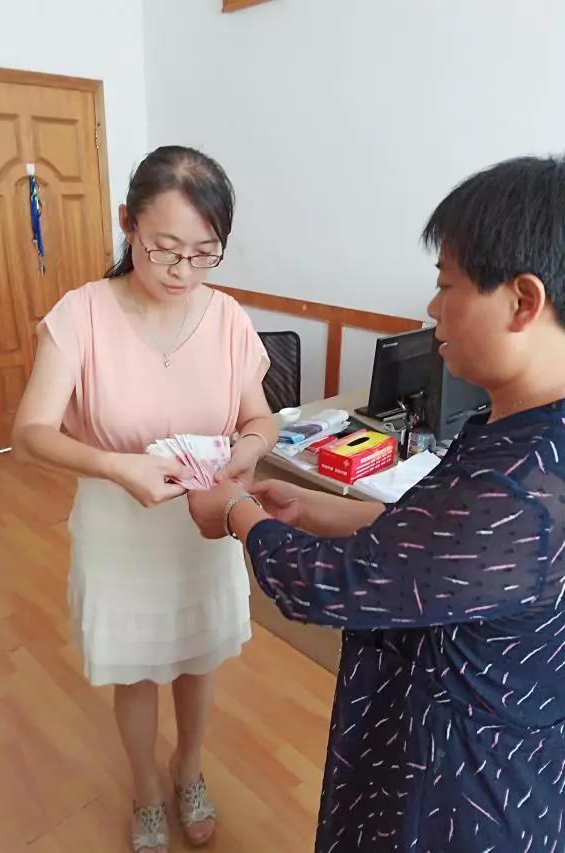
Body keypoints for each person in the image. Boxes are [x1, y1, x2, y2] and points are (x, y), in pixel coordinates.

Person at [188, 155, 565, 852]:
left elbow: (334, 583)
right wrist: (312, 507)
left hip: (459, 783)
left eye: (446, 284)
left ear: (523, 302)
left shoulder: (518, 487)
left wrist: (238, 512)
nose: (433, 308)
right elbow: (437, 540)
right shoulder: (522, 435)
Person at [12, 145, 277, 852]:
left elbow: (259, 417)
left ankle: (187, 768)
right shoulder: (81, 315)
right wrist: (114, 465)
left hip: (203, 523)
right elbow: (29, 432)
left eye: (203, 254)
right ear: (127, 223)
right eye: (164, 249)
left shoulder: (226, 317)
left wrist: (250, 447)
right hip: (119, 525)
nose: (182, 271)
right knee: (134, 671)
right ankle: (145, 788)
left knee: (197, 658)